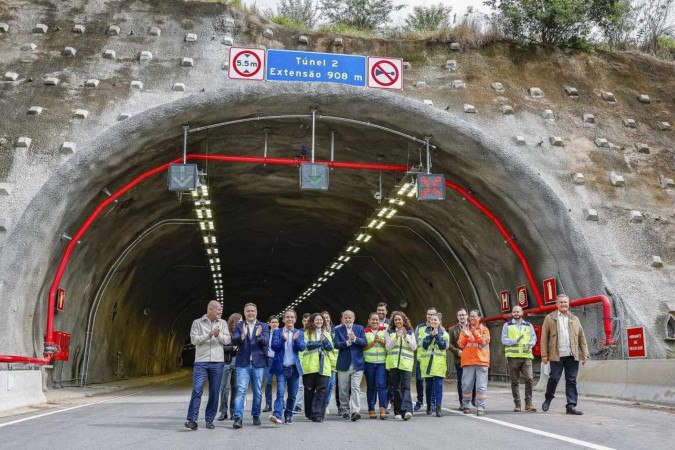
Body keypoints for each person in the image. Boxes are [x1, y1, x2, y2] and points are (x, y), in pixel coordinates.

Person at [185, 300, 232, 430]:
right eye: (218, 309)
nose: (220, 311)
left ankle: (209, 420)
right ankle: (192, 420)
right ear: (210, 309)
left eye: (221, 310)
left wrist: (218, 336)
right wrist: (209, 335)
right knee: (197, 389)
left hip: (217, 362)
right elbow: (194, 340)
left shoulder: (223, 323)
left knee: (214, 392)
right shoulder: (197, 323)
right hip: (201, 361)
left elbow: (227, 340)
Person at [541, 294, 589, 415]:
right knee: (554, 378)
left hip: (572, 355)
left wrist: (585, 353)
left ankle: (571, 406)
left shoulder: (575, 319)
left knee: (571, 381)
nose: (563, 304)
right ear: (557, 304)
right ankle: (548, 397)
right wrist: (544, 354)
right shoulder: (549, 318)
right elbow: (543, 338)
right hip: (556, 354)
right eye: (561, 302)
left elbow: (582, 337)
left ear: (568, 304)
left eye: (565, 302)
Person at [231, 302, 270, 429]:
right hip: (243, 363)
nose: (250, 313)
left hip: (258, 364)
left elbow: (266, 342)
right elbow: (234, 339)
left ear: (256, 312)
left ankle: (255, 415)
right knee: (241, 390)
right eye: (248, 311)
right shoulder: (239, 325)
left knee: (257, 391)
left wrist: (259, 336)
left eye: (252, 311)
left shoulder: (263, 326)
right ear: (244, 313)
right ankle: (238, 418)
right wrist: (242, 335)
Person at [268, 310, 305, 425]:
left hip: (294, 369)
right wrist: (283, 339)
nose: (289, 319)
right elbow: (274, 347)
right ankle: (277, 415)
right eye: (287, 317)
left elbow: (302, 347)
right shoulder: (277, 332)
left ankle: (288, 415)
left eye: (292, 317)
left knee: (292, 395)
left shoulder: (299, 333)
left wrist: (296, 340)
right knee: (280, 392)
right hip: (282, 368)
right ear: (283, 319)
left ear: (295, 319)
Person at [501, 305, 537, 412]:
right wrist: (515, 341)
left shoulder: (528, 325)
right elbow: (504, 340)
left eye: (518, 312)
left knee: (529, 379)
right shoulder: (507, 325)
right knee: (514, 381)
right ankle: (517, 404)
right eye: (514, 312)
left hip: (526, 356)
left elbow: (533, 337)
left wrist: (531, 344)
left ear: (522, 313)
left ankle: (528, 403)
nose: (516, 313)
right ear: (512, 313)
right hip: (513, 358)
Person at [334, 310, 367, 421]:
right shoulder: (338, 330)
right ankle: (344, 411)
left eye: (350, 317)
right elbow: (336, 344)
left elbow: (364, 343)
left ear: (354, 318)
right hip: (343, 364)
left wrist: (355, 339)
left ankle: (355, 411)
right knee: (343, 389)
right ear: (342, 319)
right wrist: (347, 342)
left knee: (355, 388)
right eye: (346, 318)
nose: (348, 319)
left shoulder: (359, 328)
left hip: (357, 364)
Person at [301, 313, 334, 422]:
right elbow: (308, 345)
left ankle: (318, 414)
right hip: (310, 367)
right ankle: (310, 412)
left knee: (322, 390)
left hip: (324, 366)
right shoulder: (306, 333)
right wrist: (320, 342)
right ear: (312, 321)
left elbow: (330, 347)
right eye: (317, 320)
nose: (319, 321)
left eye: (321, 320)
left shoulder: (326, 333)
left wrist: (324, 341)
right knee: (309, 391)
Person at [385, 311, 416, 421]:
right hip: (393, 364)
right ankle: (398, 411)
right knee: (396, 388)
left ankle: (407, 410)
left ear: (404, 320)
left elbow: (414, 347)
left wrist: (405, 337)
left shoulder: (410, 332)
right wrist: (396, 337)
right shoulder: (389, 332)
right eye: (396, 320)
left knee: (406, 387)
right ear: (393, 321)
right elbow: (388, 347)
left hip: (406, 363)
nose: (398, 321)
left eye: (400, 319)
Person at [458, 309, 490, 416]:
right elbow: (461, 344)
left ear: (479, 318)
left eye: (474, 316)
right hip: (468, 362)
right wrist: (467, 337)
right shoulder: (464, 330)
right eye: (471, 316)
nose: (472, 318)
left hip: (481, 362)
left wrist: (475, 333)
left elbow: (484, 341)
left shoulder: (484, 330)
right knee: (466, 385)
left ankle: (480, 406)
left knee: (481, 386)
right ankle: (466, 405)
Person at [447, 309, 476, 410]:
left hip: (472, 359)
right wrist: (457, 351)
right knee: (461, 381)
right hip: (459, 359)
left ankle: (474, 397)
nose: (462, 317)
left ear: (467, 316)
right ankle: (462, 402)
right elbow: (449, 344)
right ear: (457, 317)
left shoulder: (473, 327)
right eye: (460, 315)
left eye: (463, 315)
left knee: (474, 380)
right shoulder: (452, 329)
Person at [420, 312, 447, 417]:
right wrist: (431, 336)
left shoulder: (444, 333)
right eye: (432, 320)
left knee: (439, 386)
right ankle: (429, 406)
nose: (433, 321)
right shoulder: (424, 331)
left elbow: (443, 346)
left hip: (439, 364)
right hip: (427, 363)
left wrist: (437, 336)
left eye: (436, 320)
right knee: (429, 386)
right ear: (429, 321)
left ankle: (438, 408)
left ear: (439, 322)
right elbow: (424, 345)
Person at [217, 312, 242, 421]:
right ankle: (223, 412)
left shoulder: (242, 332)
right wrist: (232, 348)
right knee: (224, 388)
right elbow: (221, 347)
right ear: (234, 321)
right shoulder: (225, 332)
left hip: (238, 364)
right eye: (240, 320)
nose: (242, 322)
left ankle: (233, 412)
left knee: (236, 389)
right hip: (226, 363)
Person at [364, 312, 388, 419]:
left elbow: (389, 345)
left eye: (377, 320)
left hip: (381, 363)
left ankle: (382, 408)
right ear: (369, 321)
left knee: (382, 385)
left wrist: (381, 341)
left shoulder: (385, 330)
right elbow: (362, 347)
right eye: (373, 320)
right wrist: (373, 343)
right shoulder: (365, 332)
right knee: (371, 386)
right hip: (369, 363)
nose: (375, 322)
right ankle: (371, 409)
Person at [414, 307, 437, 413]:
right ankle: (419, 401)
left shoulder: (438, 327)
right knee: (419, 380)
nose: (430, 316)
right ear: (426, 315)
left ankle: (432, 402)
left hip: (432, 360)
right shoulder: (420, 327)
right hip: (421, 359)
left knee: (431, 382)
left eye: (433, 314)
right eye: (429, 314)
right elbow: (415, 342)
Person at [321, 311, 338, 414]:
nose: (326, 320)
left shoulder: (336, 330)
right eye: (323, 318)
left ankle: (326, 404)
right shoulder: (319, 331)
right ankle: (322, 404)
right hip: (324, 362)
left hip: (334, 362)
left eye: (327, 318)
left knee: (331, 385)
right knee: (324, 385)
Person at [294, 313, 312, 413]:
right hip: (300, 362)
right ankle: (298, 405)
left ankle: (311, 405)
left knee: (310, 386)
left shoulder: (313, 333)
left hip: (311, 363)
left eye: (308, 321)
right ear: (302, 322)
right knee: (300, 385)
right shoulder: (298, 333)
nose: (306, 323)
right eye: (304, 321)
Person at [262, 315, 279, 413]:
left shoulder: (282, 333)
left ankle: (280, 402)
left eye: (276, 322)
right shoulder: (266, 334)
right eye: (272, 322)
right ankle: (268, 404)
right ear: (269, 324)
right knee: (268, 382)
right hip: (268, 360)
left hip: (278, 360)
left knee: (280, 382)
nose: (274, 324)